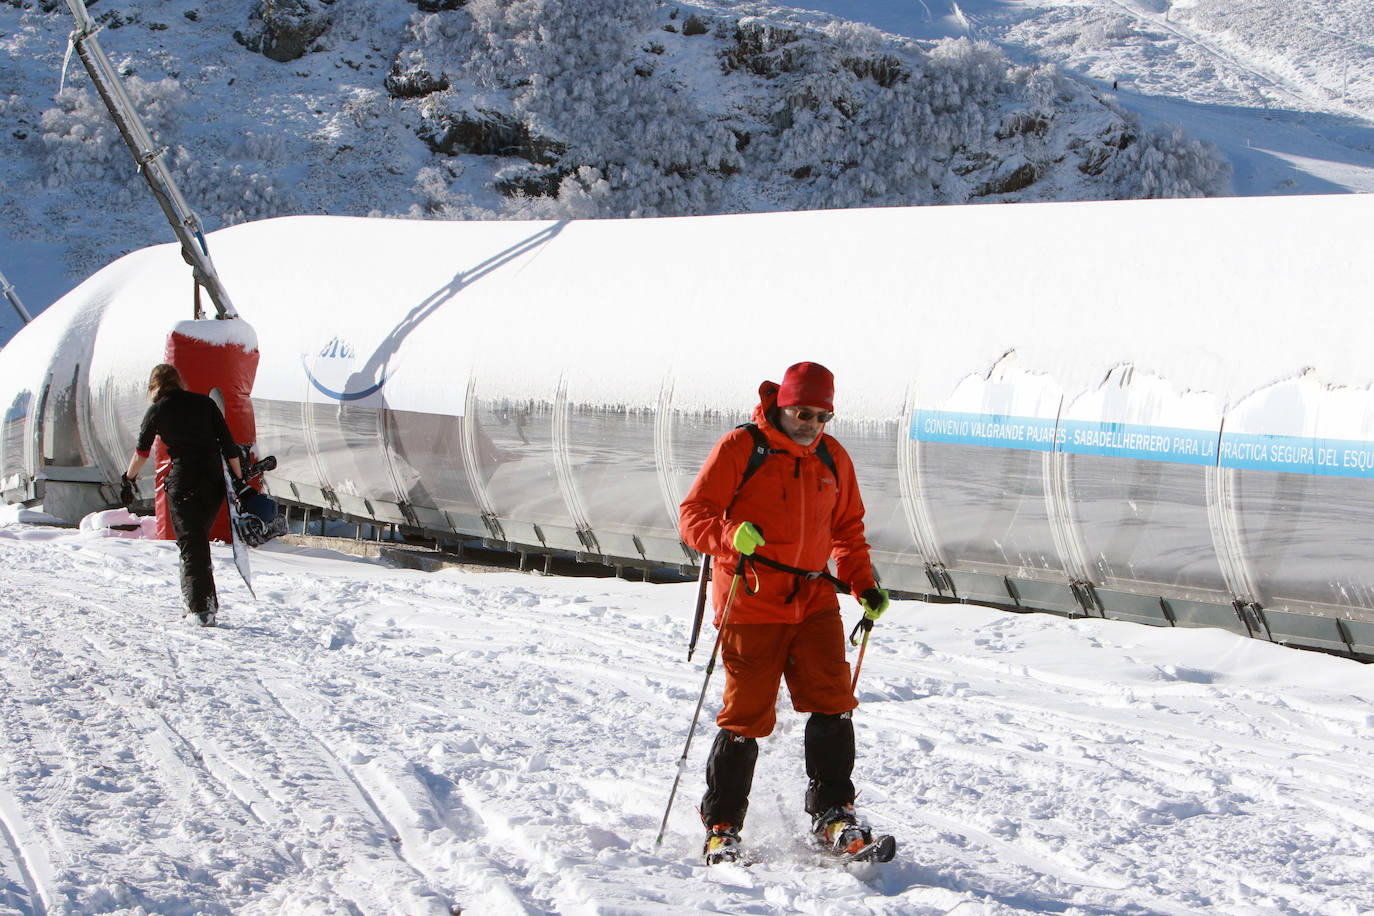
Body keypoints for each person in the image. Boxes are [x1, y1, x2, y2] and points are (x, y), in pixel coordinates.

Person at [679, 360, 891, 865]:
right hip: (750, 599)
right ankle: (722, 826)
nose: (812, 424)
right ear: (782, 404)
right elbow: (693, 516)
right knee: (746, 717)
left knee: (833, 700)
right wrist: (730, 535)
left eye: (823, 416)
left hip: (813, 598)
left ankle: (834, 813)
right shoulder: (741, 448)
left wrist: (864, 584)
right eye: (803, 412)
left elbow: (847, 531)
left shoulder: (833, 457)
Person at [122, 364, 242, 627]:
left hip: (184, 482)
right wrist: (239, 480)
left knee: (192, 544)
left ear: (154, 387)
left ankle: (201, 608)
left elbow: (142, 452)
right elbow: (229, 446)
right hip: (213, 483)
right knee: (196, 542)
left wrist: (128, 479)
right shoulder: (205, 404)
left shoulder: (157, 409)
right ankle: (196, 602)